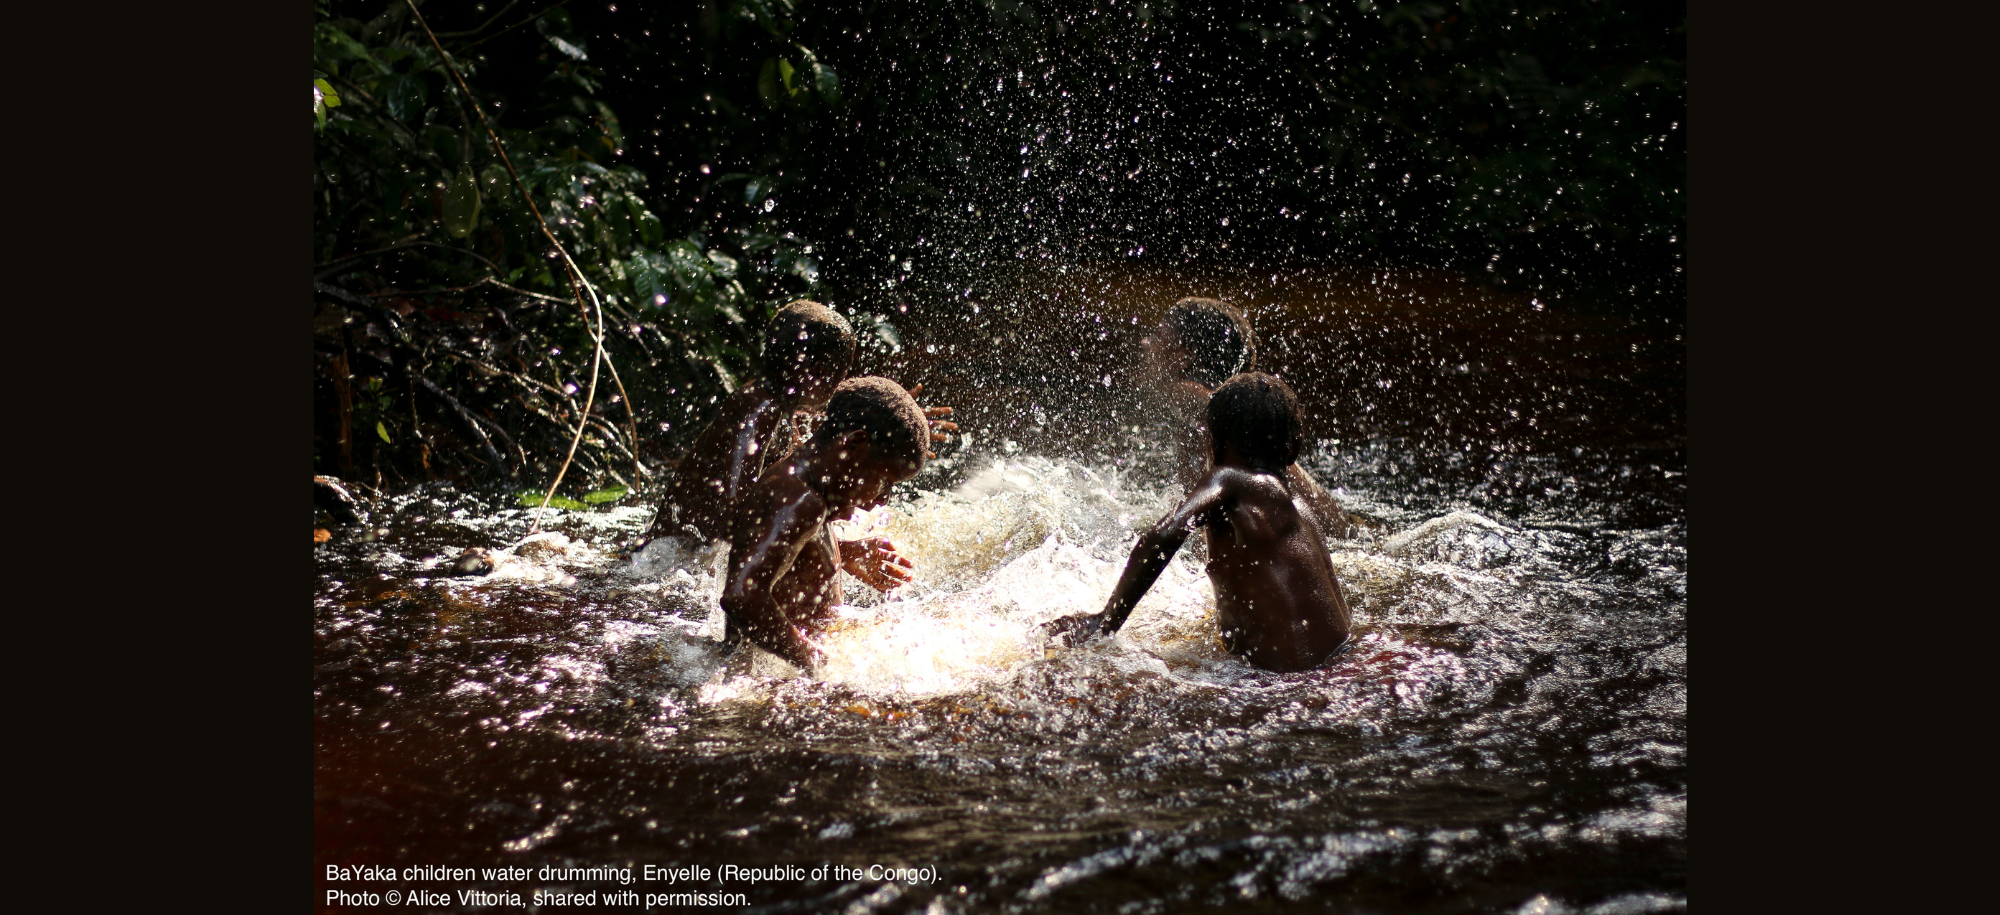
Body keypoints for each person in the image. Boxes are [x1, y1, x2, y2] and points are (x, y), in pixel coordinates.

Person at [1049, 373, 1352, 672]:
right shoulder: (1303, 512)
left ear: (1213, 445)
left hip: (1284, 687)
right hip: (1340, 669)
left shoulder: (1231, 479)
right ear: (1294, 448)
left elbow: (1162, 536)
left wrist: (1105, 621)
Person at [641, 300, 951, 590]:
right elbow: (741, 519)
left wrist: (884, 425)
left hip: (691, 560)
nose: (838, 387)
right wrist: (844, 552)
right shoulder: (758, 410)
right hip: (670, 564)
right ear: (816, 373)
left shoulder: (775, 406)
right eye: (839, 375)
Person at [719, 377, 933, 670]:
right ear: (855, 444)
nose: (883, 499)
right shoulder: (799, 500)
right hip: (764, 679)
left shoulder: (811, 486)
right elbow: (742, 596)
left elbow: (784, 550)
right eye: (885, 481)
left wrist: (845, 553)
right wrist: (816, 662)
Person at [1141, 297, 1353, 539]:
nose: (1146, 343)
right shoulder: (1211, 421)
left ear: (1183, 358)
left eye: (1157, 336)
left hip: (1332, 541)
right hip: (1329, 532)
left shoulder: (1189, 396)